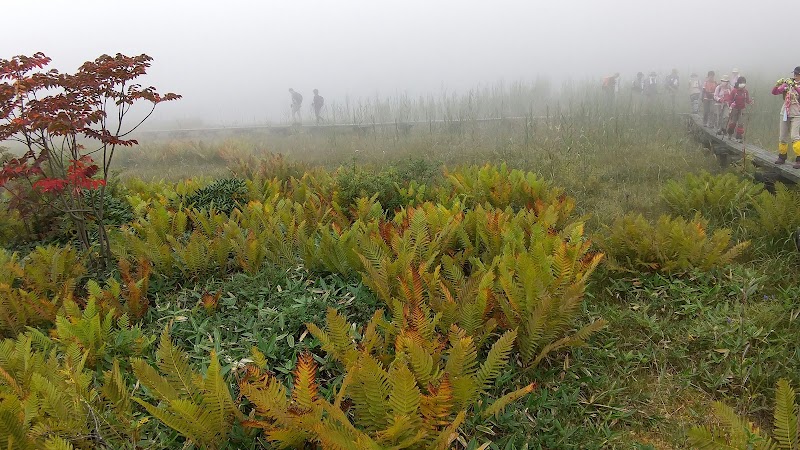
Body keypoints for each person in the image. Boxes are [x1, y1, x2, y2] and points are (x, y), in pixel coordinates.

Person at [772, 67, 800, 167]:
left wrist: (795, 87)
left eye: (797, 74)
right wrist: (778, 84)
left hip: (796, 113)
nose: (795, 76)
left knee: (794, 136)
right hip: (785, 112)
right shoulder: (788, 83)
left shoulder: (796, 85)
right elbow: (775, 92)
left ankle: (799, 158)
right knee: (783, 136)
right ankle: (782, 156)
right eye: (795, 74)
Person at [725, 77, 752, 143]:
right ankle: (730, 134)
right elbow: (730, 99)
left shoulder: (745, 91)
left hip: (742, 109)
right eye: (742, 82)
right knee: (733, 123)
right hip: (734, 109)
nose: (743, 84)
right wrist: (731, 104)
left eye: (744, 83)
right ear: (738, 83)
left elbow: (747, 100)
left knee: (740, 124)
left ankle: (739, 137)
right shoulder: (734, 91)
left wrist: (751, 102)